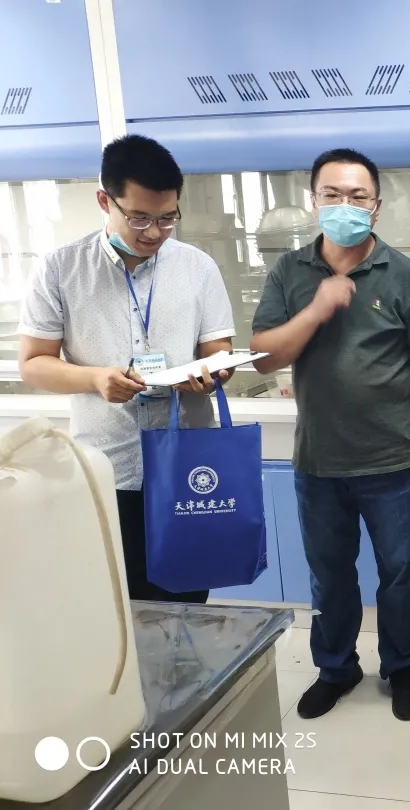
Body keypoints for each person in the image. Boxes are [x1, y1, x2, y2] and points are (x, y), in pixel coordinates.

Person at [250, 148, 410, 723]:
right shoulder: (289, 272)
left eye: (358, 196)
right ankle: (335, 668)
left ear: (376, 206)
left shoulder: (405, 275)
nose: (345, 205)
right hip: (318, 461)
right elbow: (263, 357)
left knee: (400, 574)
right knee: (329, 576)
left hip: (389, 460)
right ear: (314, 201)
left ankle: (403, 667)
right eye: (332, 195)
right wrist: (316, 310)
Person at [18, 134, 236, 605]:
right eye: (139, 218)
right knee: (117, 606)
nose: (154, 232)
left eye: (167, 218)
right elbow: (33, 363)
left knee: (186, 602)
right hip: (106, 469)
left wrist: (210, 374)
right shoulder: (60, 269)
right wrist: (95, 379)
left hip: (186, 467)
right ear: (105, 201)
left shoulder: (198, 268)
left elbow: (219, 349)